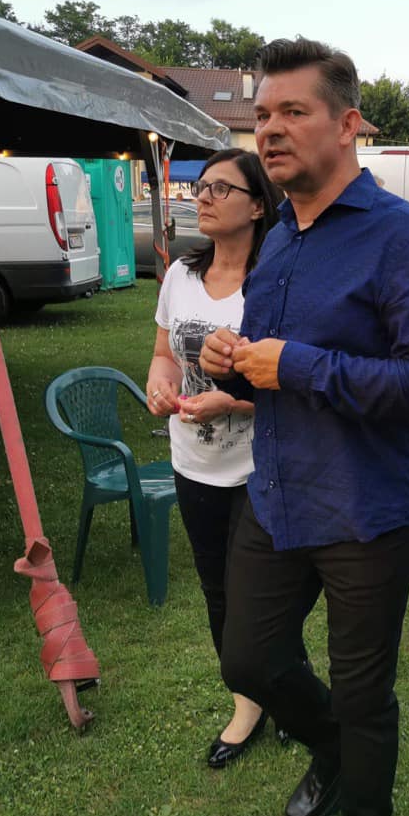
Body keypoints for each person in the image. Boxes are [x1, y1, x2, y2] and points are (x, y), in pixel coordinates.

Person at [198, 38, 409, 816]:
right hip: (279, 496)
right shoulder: (281, 235)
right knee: (249, 660)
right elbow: (267, 363)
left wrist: (299, 365)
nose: (269, 130)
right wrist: (229, 364)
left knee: (361, 693)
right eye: (261, 115)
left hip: (367, 507)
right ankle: (334, 753)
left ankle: (360, 798)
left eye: (293, 111)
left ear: (348, 125)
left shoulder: (407, 238)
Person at [145, 149, 284, 767]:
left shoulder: (275, 281)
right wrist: (159, 384)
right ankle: (247, 704)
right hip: (193, 465)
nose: (202, 196)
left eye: (220, 189)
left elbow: (291, 379)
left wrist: (232, 402)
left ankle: (286, 688)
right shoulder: (181, 274)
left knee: (267, 594)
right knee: (218, 591)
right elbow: (163, 354)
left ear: (256, 207)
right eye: (201, 186)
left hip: (260, 468)